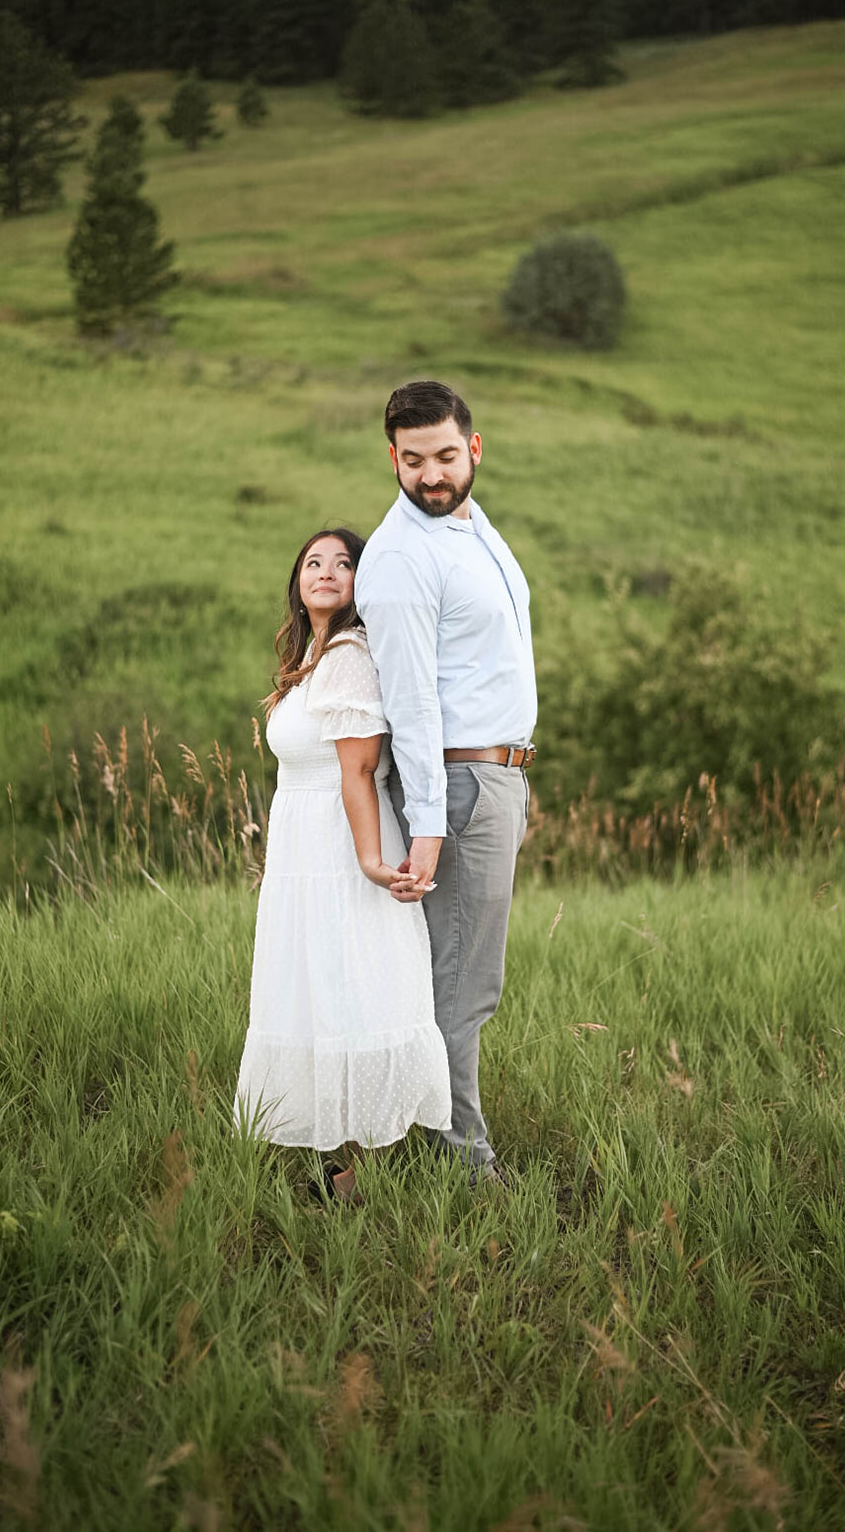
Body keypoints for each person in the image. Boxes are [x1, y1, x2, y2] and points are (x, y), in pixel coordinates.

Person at [354, 381, 537, 1186]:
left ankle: (420, 1136)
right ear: (391, 457)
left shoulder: (468, 522)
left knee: (467, 977)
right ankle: (463, 1163)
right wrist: (428, 824)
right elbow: (413, 705)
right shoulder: (400, 558)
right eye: (414, 460)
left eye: (446, 456)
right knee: (460, 985)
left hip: (493, 778)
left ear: (475, 449)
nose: (432, 475)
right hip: (458, 788)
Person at [234, 527, 451, 1202]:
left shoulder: (351, 654)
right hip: (303, 853)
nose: (326, 571)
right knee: (318, 992)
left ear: (363, 581)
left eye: (344, 562)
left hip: (340, 846)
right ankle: (336, 1163)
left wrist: (368, 860)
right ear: (297, 582)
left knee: (351, 993)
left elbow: (357, 769)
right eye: (313, 562)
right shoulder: (310, 659)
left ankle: (363, 1171)